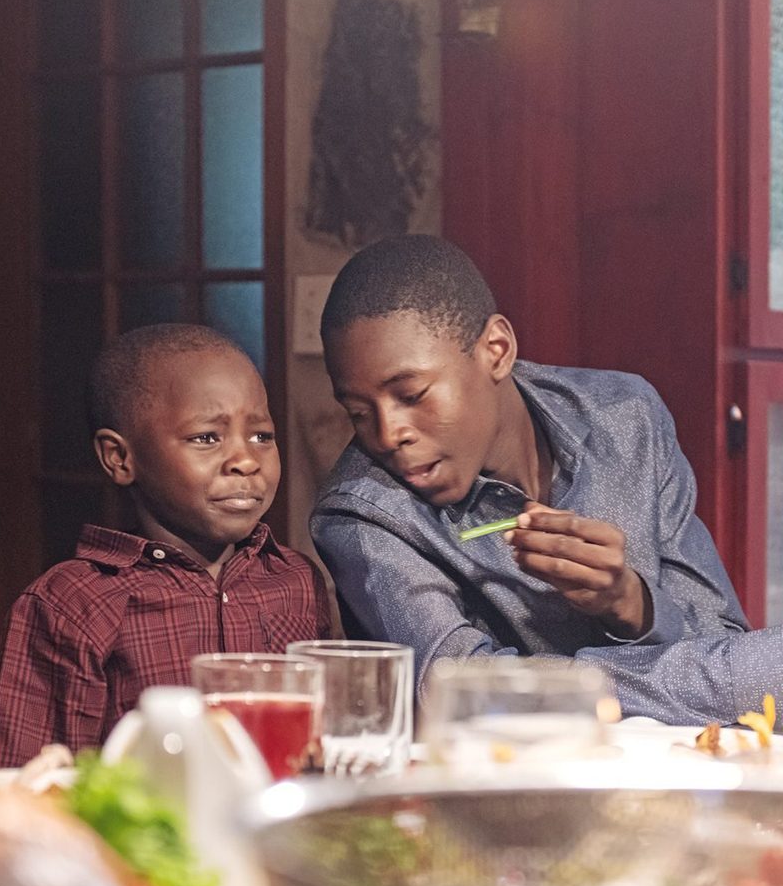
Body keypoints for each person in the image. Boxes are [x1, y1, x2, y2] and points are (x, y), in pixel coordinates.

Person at [311, 234, 781, 725]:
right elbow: (453, 695)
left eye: (411, 394)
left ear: (496, 349)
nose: (388, 435)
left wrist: (629, 601)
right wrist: (743, 679)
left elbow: (719, 633)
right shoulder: (360, 513)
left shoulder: (626, 417)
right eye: (359, 413)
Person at [0, 323, 331, 767]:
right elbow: (19, 786)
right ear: (120, 458)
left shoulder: (296, 580)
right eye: (207, 438)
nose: (245, 460)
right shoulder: (71, 605)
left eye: (262, 435)